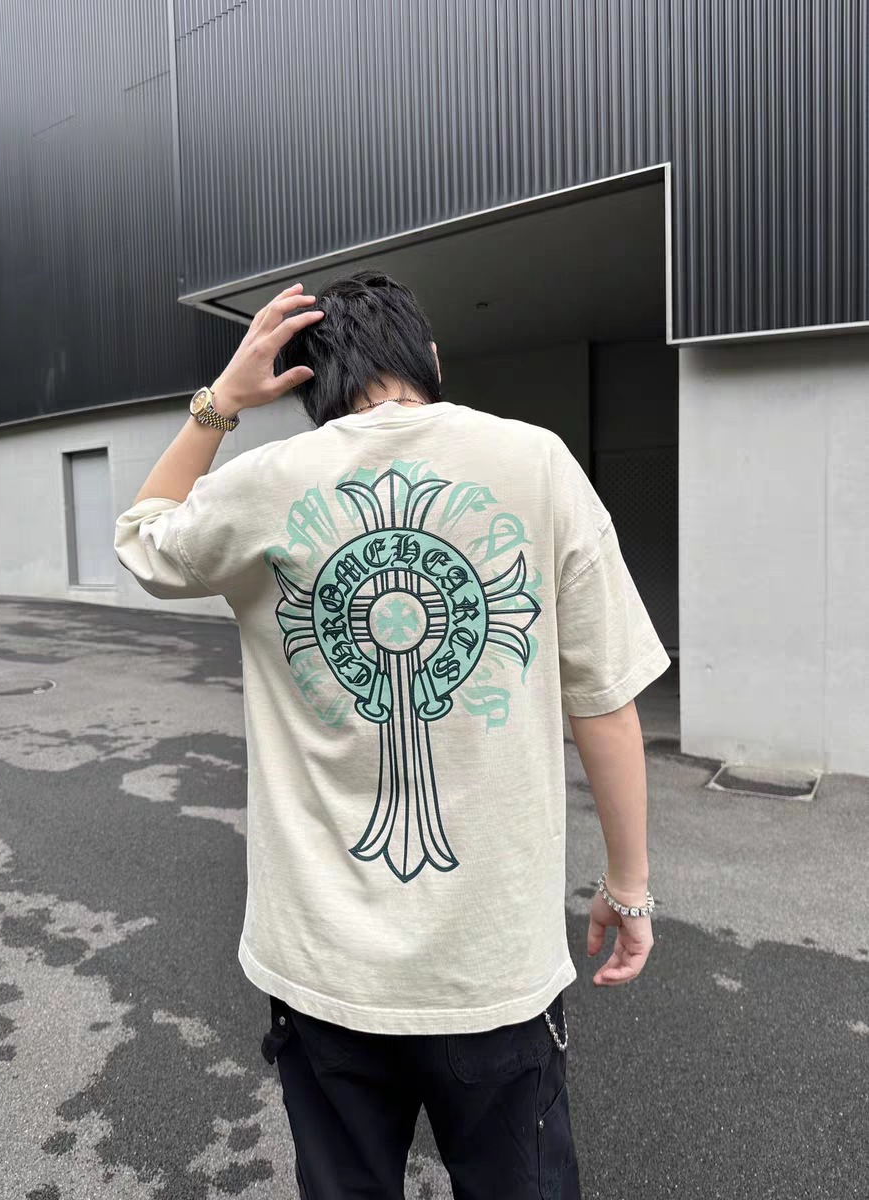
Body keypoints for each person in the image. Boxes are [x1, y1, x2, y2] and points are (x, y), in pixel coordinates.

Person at [114, 270, 670, 1199]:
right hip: (493, 969)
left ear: (306, 384)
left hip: (322, 966)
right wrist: (630, 887)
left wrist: (219, 405)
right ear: (432, 358)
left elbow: (142, 537)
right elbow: (604, 701)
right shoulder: (536, 463)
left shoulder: (267, 482)